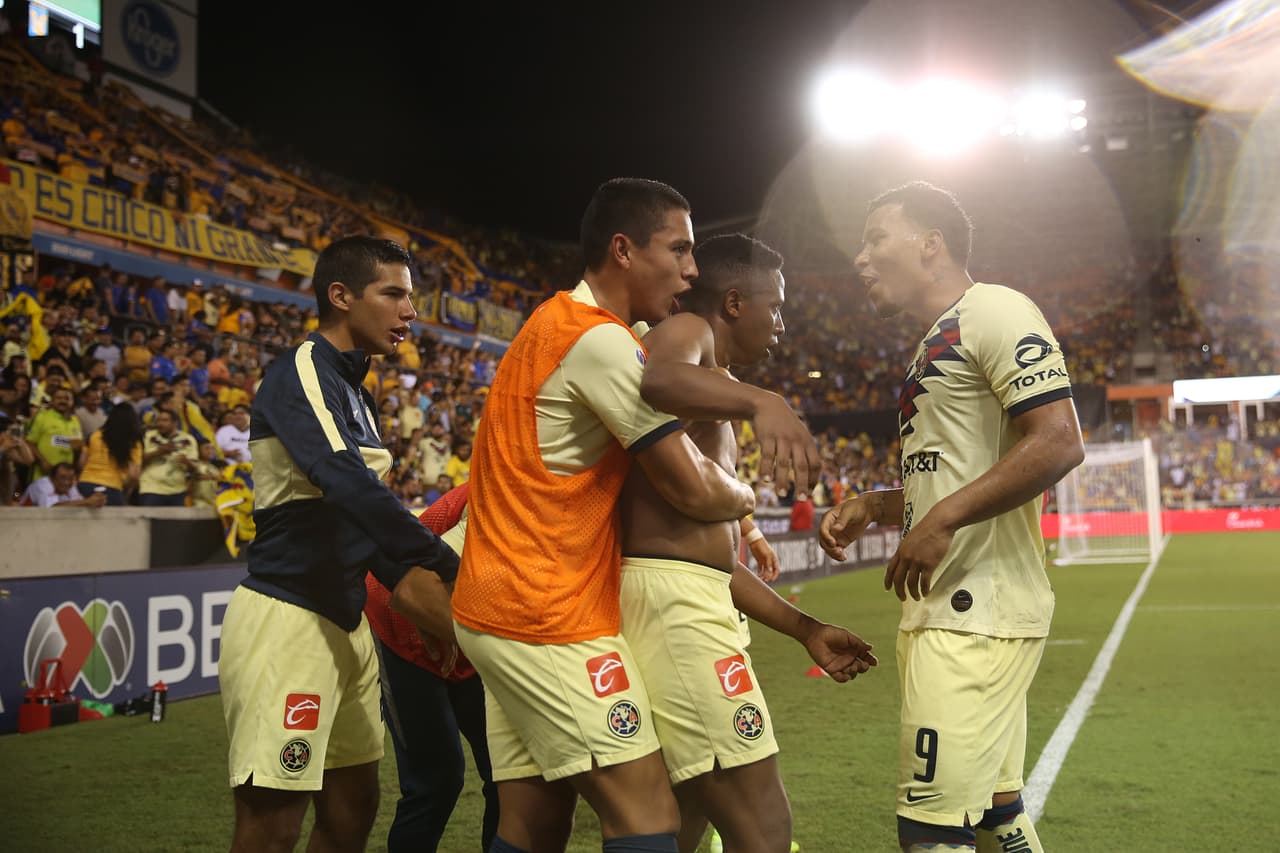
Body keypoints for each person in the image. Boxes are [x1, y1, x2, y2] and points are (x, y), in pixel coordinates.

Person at [451, 178, 756, 853]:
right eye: (678, 249)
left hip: (498, 605)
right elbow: (695, 490)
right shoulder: (601, 343)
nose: (692, 269)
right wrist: (748, 497)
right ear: (623, 249)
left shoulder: (550, 323)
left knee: (533, 819)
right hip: (543, 613)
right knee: (646, 808)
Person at [819, 182, 1085, 853]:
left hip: (976, 616)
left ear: (931, 243)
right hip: (951, 612)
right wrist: (881, 505)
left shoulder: (993, 309)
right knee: (999, 816)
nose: (861, 256)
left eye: (877, 236)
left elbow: (1058, 438)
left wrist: (940, 521)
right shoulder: (932, 342)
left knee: (931, 832)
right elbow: (960, 473)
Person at [621, 233, 877, 853]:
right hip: (674, 611)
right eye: (777, 306)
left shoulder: (717, 387)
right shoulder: (689, 332)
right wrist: (766, 401)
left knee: (687, 821)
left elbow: (711, 562)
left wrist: (804, 627)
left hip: (688, 596)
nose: (783, 325)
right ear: (734, 303)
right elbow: (657, 375)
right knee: (763, 828)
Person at [218, 236, 461, 853]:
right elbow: (342, 479)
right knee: (273, 822)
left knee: (354, 805)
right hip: (290, 618)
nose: (411, 312)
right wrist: (442, 560)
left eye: (411, 297)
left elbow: (363, 526)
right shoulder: (301, 368)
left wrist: (446, 609)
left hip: (348, 625)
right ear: (341, 296)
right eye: (395, 295)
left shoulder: (357, 389)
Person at [364, 482, 498, 853]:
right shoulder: (501, 493)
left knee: (511, 773)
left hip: (467, 629)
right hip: (405, 623)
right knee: (436, 780)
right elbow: (412, 591)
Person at [77, 402, 144, 505]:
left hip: (85, 485)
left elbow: (82, 463)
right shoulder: (133, 442)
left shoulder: (95, 435)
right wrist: (126, 492)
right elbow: (133, 475)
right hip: (112, 488)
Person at [138, 407, 198, 506]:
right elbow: (138, 460)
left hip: (177, 491)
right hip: (151, 489)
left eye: (165, 420)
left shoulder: (188, 439)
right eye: (158, 420)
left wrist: (187, 462)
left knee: (176, 522)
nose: (160, 424)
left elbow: (195, 468)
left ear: (175, 423)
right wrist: (158, 452)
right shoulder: (148, 436)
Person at [24, 385, 82, 480]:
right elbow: (30, 442)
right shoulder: (42, 417)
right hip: (42, 476)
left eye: (67, 398)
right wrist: (43, 462)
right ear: (52, 400)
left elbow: (77, 447)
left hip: (65, 478)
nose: (63, 401)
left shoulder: (75, 421)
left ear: (72, 402)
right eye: (59, 398)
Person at [20, 461, 107, 508]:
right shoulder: (43, 485)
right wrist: (87, 502)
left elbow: (79, 502)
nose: (66, 482)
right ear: (52, 478)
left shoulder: (71, 486)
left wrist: (95, 502)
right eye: (62, 478)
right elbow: (52, 509)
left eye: (70, 479)